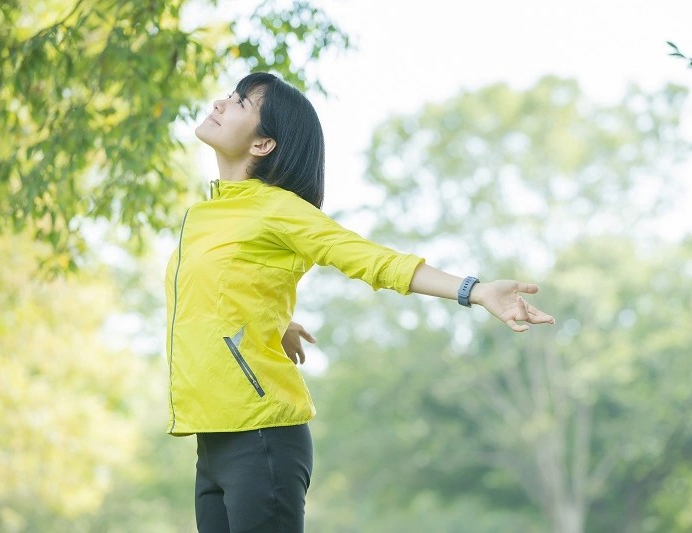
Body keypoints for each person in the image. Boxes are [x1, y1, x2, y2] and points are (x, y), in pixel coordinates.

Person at [165, 71, 556, 533]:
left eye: (239, 103)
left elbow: (372, 260)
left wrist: (474, 290)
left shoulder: (280, 209)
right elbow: (213, 293)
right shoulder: (206, 214)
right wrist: (275, 320)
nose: (220, 103)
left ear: (262, 144)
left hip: (261, 439)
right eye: (229, 96)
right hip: (211, 440)